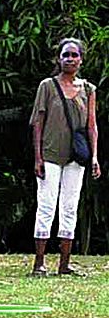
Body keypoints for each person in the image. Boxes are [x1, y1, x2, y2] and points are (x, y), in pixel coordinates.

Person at [29, 37, 99, 276]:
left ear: (81, 59)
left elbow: (92, 125)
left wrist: (94, 157)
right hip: (50, 154)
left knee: (69, 206)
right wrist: (37, 157)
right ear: (59, 59)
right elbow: (38, 122)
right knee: (46, 205)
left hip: (76, 157)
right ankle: (39, 262)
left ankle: (64, 263)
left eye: (74, 55)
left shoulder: (88, 89)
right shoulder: (47, 86)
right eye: (66, 55)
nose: (70, 59)